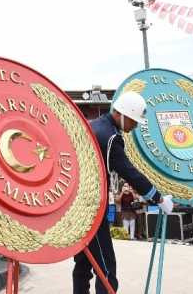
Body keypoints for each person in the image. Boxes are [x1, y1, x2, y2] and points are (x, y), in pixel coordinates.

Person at [72, 91, 173, 294]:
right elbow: (129, 173)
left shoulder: (93, 126)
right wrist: (158, 197)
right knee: (106, 270)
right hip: (91, 209)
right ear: (121, 114)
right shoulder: (110, 138)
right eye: (134, 121)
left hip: (77, 206)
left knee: (83, 264)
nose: (135, 126)